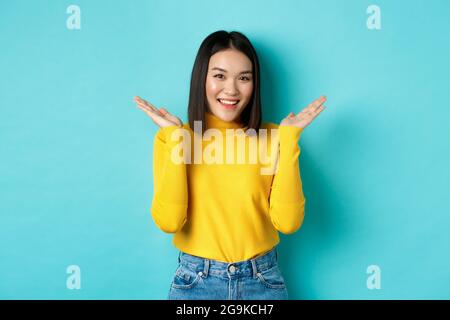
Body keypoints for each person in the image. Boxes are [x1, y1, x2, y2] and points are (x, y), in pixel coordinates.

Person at [134, 30, 326, 300]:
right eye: (219, 75)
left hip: (262, 281)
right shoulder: (177, 137)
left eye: (244, 78)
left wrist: (290, 139)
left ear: (254, 84)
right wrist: (177, 138)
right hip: (196, 282)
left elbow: (288, 223)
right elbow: (169, 221)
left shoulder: (273, 139)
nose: (231, 89)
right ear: (202, 78)